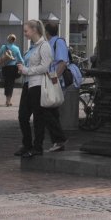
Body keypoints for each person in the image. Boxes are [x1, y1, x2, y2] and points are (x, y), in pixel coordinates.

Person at [14, 19, 53, 158]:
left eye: (26, 31)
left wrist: (26, 70)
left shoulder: (44, 46)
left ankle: (37, 146)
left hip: (37, 84)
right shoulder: (32, 47)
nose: (25, 34)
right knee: (22, 116)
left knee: (38, 117)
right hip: (28, 83)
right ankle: (27, 144)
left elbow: (44, 67)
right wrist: (22, 69)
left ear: (34, 30)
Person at [43, 21, 70, 152]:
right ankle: (57, 140)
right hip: (50, 80)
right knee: (52, 110)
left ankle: (59, 138)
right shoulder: (50, 43)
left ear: (46, 32)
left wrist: (54, 80)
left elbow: (62, 62)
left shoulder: (58, 42)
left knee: (47, 109)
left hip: (54, 81)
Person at [0, 33, 25, 107]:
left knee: (6, 83)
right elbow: (21, 59)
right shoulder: (17, 48)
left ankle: (7, 100)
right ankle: (9, 100)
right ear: (14, 40)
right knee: (11, 84)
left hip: (5, 68)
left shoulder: (3, 47)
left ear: (8, 39)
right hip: (13, 68)